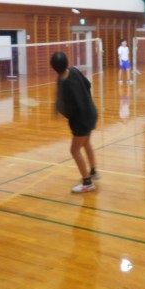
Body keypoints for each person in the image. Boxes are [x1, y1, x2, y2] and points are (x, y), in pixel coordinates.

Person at [50, 51, 98, 193]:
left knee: (74, 150)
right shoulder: (75, 71)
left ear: (54, 68)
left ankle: (87, 182)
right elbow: (88, 84)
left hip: (82, 120)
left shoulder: (65, 84)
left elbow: (70, 109)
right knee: (86, 143)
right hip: (91, 112)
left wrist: (60, 110)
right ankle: (93, 171)